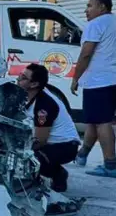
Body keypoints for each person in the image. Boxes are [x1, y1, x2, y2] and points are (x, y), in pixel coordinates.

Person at [72, 0, 116, 178]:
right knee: (95, 120)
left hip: (99, 81)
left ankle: (110, 165)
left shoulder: (95, 25)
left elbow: (86, 54)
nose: (86, 10)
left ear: (102, 7)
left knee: (102, 122)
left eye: (90, 5)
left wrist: (76, 77)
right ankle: (82, 156)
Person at [18, 63, 81, 193]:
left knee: (28, 157)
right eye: (20, 75)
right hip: (54, 144)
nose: (18, 79)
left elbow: (40, 141)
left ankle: (57, 175)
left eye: (23, 77)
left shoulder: (44, 105)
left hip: (65, 146)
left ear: (34, 84)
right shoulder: (28, 96)